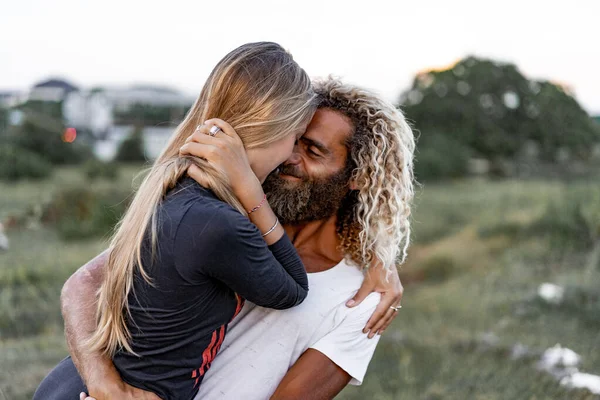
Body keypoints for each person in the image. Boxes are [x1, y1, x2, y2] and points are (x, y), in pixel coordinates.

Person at [40, 77, 414, 400]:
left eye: (313, 150)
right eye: (291, 138)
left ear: (359, 176)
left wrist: (382, 256)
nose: (290, 157)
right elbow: (85, 282)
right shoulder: (222, 217)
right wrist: (104, 384)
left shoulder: (362, 303)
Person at [34, 41, 317, 400]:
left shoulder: (174, 188)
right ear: (272, 128)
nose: (293, 155)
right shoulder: (216, 223)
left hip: (70, 386)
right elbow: (293, 290)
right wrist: (251, 190)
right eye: (295, 138)